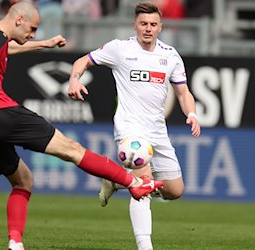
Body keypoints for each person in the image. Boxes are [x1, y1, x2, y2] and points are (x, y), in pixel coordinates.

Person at [0, 2, 163, 250]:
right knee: (71, 149)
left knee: (23, 181)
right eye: (32, 29)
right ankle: (135, 184)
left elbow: (0, 50)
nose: (32, 34)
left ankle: (15, 243)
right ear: (18, 20)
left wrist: (44, 44)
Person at [67, 2, 201, 250]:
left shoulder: (170, 55)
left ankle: (116, 181)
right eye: (143, 24)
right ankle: (144, 246)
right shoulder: (120, 49)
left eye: (152, 24)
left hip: (157, 131)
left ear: (160, 27)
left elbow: (183, 93)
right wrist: (74, 79)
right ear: (135, 25)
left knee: (174, 190)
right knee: (143, 184)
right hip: (131, 130)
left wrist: (191, 113)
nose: (148, 29)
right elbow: (82, 61)